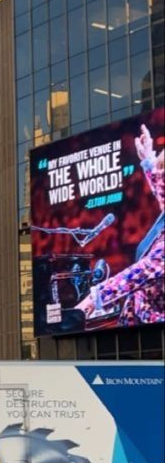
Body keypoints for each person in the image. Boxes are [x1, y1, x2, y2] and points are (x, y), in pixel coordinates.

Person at [76, 123, 164, 326]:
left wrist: (93, 298)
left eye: (163, 177)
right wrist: (149, 160)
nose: (159, 183)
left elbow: (141, 271)